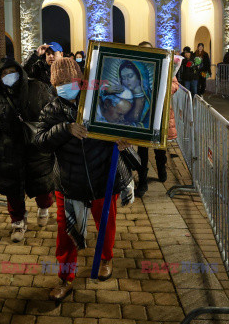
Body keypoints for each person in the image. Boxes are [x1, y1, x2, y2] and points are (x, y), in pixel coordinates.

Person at [35, 58, 134, 302]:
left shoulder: (99, 103)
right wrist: (65, 129)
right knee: (66, 233)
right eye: (59, 83)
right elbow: (39, 140)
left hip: (102, 176)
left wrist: (123, 141)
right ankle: (65, 277)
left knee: (106, 223)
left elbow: (121, 125)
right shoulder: (51, 109)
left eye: (69, 81)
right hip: (69, 181)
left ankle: (106, 258)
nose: (64, 86)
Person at [0, 58, 55, 242]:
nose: (8, 76)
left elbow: (52, 113)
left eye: (11, 71)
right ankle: (18, 223)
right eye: (3, 74)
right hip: (9, 151)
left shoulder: (36, 88)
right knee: (13, 190)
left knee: (42, 184)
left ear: (19, 71)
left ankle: (44, 208)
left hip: (36, 146)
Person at [132, 41, 179, 197]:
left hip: (160, 115)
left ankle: (161, 168)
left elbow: (174, 85)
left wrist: (165, 86)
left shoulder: (164, 65)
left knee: (160, 147)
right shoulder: (136, 68)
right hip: (143, 115)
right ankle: (143, 181)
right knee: (142, 150)